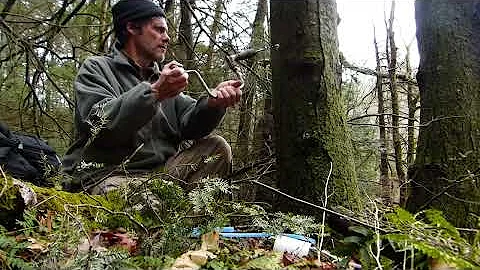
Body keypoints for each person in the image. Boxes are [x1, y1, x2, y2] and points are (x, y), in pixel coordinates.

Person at [62, 0, 242, 194]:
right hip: (108, 177)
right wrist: (154, 94)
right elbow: (101, 126)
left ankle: (192, 221)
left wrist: (213, 104)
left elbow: (190, 121)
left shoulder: (162, 81)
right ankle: (168, 214)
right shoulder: (97, 68)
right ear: (131, 27)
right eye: (159, 30)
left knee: (217, 148)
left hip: (160, 176)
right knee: (146, 202)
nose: (167, 38)